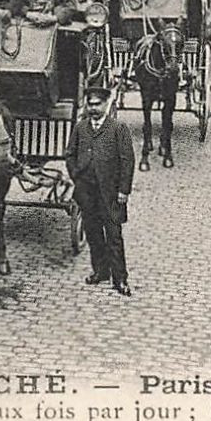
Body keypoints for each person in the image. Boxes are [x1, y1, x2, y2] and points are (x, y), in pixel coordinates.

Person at [64, 86, 134, 296]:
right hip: (86, 191)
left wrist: (123, 191)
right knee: (93, 233)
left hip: (110, 193)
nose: (93, 109)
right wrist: (76, 174)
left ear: (106, 105)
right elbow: (70, 153)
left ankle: (120, 278)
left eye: (97, 104)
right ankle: (100, 271)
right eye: (90, 104)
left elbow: (127, 160)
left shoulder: (118, 128)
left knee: (113, 235)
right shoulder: (80, 127)